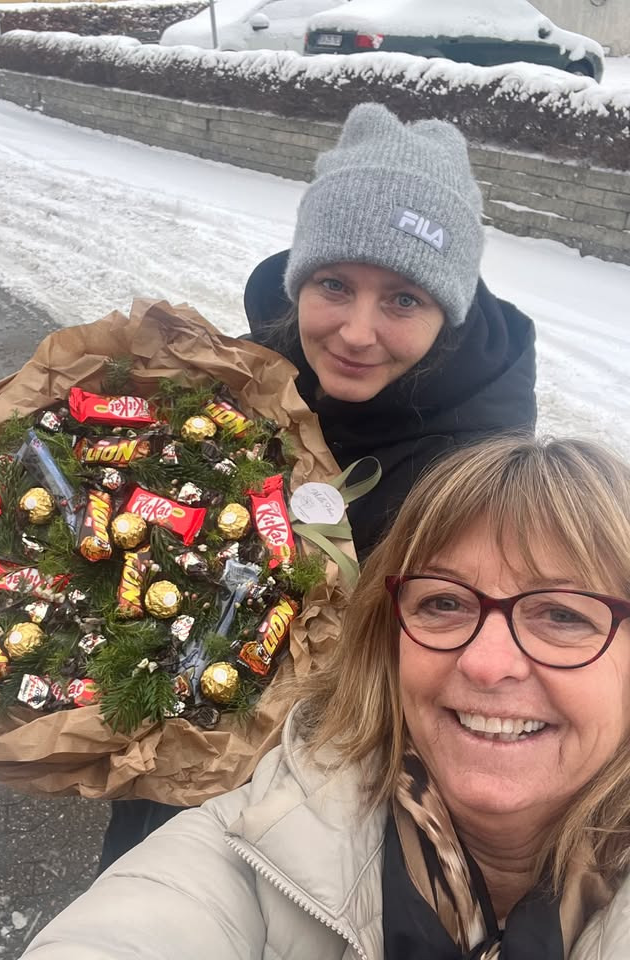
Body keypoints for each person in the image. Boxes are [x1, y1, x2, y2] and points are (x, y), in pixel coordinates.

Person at [98, 102, 537, 868]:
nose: (358, 331)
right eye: (334, 284)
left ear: (449, 314)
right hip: (165, 762)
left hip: (323, 816)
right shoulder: (237, 387)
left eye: (404, 298)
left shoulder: (476, 480)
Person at [21, 436, 630, 959]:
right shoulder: (258, 844)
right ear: (386, 639)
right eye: (443, 602)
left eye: (562, 615)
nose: (487, 663)